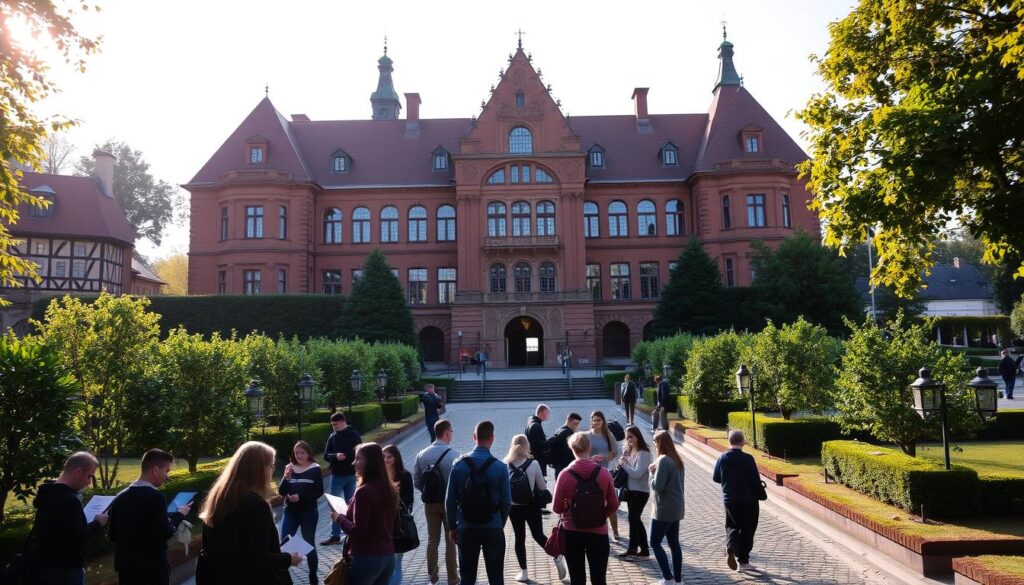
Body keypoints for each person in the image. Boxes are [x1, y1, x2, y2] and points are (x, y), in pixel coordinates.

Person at [197, 442, 302, 585]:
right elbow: (258, 559)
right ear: (259, 470)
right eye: (271, 466)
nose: (272, 470)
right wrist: (288, 559)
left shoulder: (218, 499)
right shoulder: (257, 506)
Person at [109, 448, 191, 585]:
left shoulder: (120, 496)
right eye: (166, 471)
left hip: (127, 569)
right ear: (155, 470)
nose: (167, 476)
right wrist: (179, 515)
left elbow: (113, 535)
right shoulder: (156, 498)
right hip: (152, 569)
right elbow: (165, 533)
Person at [444, 420, 511, 585]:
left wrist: (452, 526)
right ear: (492, 438)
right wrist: (500, 522)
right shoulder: (500, 467)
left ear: (474, 437)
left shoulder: (458, 465)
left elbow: (449, 500)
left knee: (467, 578)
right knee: (496, 577)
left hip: (466, 526)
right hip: (493, 526)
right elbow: (507, 501)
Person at [30, 451, 109, 585]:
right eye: (89, 476)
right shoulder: (68, 500)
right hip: (65, 570)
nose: (89, 482)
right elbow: (77, 537)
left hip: (44, 566)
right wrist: (97, 523)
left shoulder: (49, 493)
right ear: (78, 472)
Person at [552, 432, 618, 585]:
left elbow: (556, 507)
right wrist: (601, 516)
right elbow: (614, 504)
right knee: (599, 579)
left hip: (572, 532)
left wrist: (569, 508)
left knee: (577, 579)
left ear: (572, 449)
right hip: (598, 531)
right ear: (589, 447)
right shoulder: (604, 473)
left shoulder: (564, 475)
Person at [332, 442, 399, 585]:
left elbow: (358, 531)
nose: (353, 463)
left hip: (367, 557)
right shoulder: (389, 488)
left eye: (358, 458)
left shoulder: (363, 492)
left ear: (371, 462)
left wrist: (339, 519)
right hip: (388, 556)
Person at [503, 434, 567, 583]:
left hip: (514, 507)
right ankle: (557, 555)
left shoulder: (505, 464)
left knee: (519, 538)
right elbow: (542, 487)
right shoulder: (534, 463)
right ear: (527, 446)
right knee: (538, 535)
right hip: (531, 505)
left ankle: (524, 572)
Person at [413, 420, 459, 585]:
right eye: (451, 431)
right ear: (446, 433)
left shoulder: (421, 454)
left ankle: (433, 577)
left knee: (432, 540)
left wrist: (428, 492)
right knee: (451, 540)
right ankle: (452, 578)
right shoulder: (454, 455)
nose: (452, 434)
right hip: (449, 504)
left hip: (430, 504)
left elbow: (417, 481)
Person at [712, 430, 762, 573]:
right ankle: (743, 561)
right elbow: (755, 480)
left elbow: (716, 477)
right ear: (743, 442)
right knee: (748, 528)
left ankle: (731, 548)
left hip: (730, 499)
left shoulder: (722, 457)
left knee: (731, 525)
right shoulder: (748, 458)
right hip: (749, 500)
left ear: (729, 441)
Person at [278, 441, 324, 585]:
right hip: (290, 511)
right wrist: (286, 478)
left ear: (308, 453)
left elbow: (319, 491)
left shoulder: (315, 469)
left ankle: (312, 575)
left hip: (308, 511)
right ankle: (282, 576)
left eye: (302, 453)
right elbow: (282, 492)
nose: (299, 456)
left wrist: (301, 497)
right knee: (284, 542)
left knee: (309, 543)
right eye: (297, 453)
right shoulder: (290, 467)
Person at [648, 431, 685, 585]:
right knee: (674, 543)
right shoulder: (677, 459)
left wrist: (652, 473)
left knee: (654, 542)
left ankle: (668, 578)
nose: (654, 444)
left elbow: (658, 486)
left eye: (655, 441)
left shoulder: (663, 460)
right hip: (677, 506)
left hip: (664, 508)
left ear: (660, 443)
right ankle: (678, 579)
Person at [322, 411, 362, 545]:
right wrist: (335, 456)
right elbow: (326, 455)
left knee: (351, 505)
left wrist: (346, 455)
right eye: (332, 425)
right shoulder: (332, 436)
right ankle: (335, 535)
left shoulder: (354, 435)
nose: (333, 427)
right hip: (337, 475)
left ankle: (351, 531)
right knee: (334, 505)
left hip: (351, 475)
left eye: (335, 424)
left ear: (342, 422)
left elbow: (360, 452)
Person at [616, 426, 652, 559]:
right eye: (627, 438)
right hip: (631, 491)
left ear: (638, 436)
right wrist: (622, 463)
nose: (629, 440)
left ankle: (633, 548)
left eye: (631, 436)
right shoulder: (630, 451)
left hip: (640, 492)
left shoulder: (644, 453)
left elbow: (637, 474)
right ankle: (644, 549)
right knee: (635, 519)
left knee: (634, 519)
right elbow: (627, 470)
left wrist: (624, 465)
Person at [586, 410, 621, 541]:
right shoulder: (587, 435)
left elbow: (616, 451)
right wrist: (591, 458)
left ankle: (616, 532)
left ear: (603, 421)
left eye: (598, 420)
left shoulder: (608, 434)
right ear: (591, 421)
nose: (596, 422)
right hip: (591, 474)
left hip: (606, 472)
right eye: (594, 420)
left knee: (611, 503)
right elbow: (581, 455)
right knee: (594, 503)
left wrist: (611, 455)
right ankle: (597, 530)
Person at [384, 444, 413, 585]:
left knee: (397, 559)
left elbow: (409, 499)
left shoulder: (405, 475)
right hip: (382, 523)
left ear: (396, 458)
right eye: (383, 457)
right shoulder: (379, 475)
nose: (386, 460)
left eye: (389, 457)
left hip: (398, 523)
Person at [546, 412, 582, 479]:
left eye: (578, 424)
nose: (577, 426)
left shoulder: (559, 430)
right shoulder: (568, 433)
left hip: (558, 466)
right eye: (575, 424)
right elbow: (569, 453)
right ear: (568, 421)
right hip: (565, 467)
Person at [525, 404, 550, 477]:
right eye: (547, 413)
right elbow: (538, 444)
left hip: (533, 459)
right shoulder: (535, 425)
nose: (548, 416)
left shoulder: (532, 422)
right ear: (541, 413)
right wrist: (549, 442)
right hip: (537, 461)